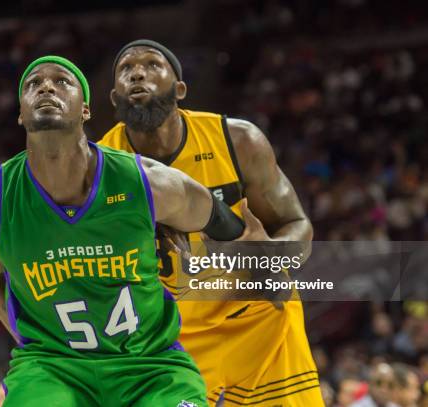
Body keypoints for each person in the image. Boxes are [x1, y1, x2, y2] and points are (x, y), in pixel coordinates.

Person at [0, 55, 244, 407]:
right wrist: (26, 336)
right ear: (20, 113)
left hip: (149, 365)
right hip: (52, 367)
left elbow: (221, 219)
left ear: (85, 111)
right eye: (34, 84)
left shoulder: (147, 184)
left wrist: (256, 252)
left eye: (63, 81)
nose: (47, 86)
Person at [98, 39, 322, 406]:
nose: (137, 72)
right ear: (114, 97)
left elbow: (297, 224)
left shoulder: (237, 140)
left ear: (180, 89)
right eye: (126, 69)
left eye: (153, 65)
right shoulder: (100, 170)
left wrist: (272, 254)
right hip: (170, 341)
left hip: (258, 324)